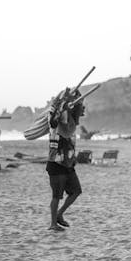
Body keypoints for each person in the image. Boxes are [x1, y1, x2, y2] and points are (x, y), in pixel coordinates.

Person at [46, 89, 84, 231]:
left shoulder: (71, 121)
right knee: (56, 195)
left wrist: (77, 100)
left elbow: (78, 110)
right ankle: (53, 223)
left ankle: (59, 214)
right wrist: (62, 105)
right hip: (55, 161)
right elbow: (54, 121)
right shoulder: (54, 119)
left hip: (68, 162)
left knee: (76, 191)